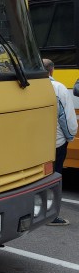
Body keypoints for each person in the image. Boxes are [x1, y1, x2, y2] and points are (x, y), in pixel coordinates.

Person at [43, 58, 77, 225]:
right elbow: (67, 120)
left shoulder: (28, 86)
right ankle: (51, 216)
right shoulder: (58, 88)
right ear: (52, 70)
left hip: (34, 145)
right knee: (54, 179)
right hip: (55, 144)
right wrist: (70, 137)